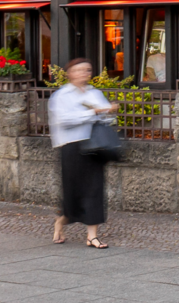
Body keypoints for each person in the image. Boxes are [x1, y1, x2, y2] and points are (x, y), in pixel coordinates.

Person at [50, 58, 119, 249]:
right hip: (71, 146)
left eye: (88, 70)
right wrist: (93, 113)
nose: (84, 74)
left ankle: (92, 236)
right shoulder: (61, 96)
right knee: (73, 192)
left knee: (95, 189)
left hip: (94, 146)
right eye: (80, 70)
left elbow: (105, 117)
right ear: (70, 73)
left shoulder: (95, 93)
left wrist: (109, 112)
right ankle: (61, 221)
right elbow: (65, 120)